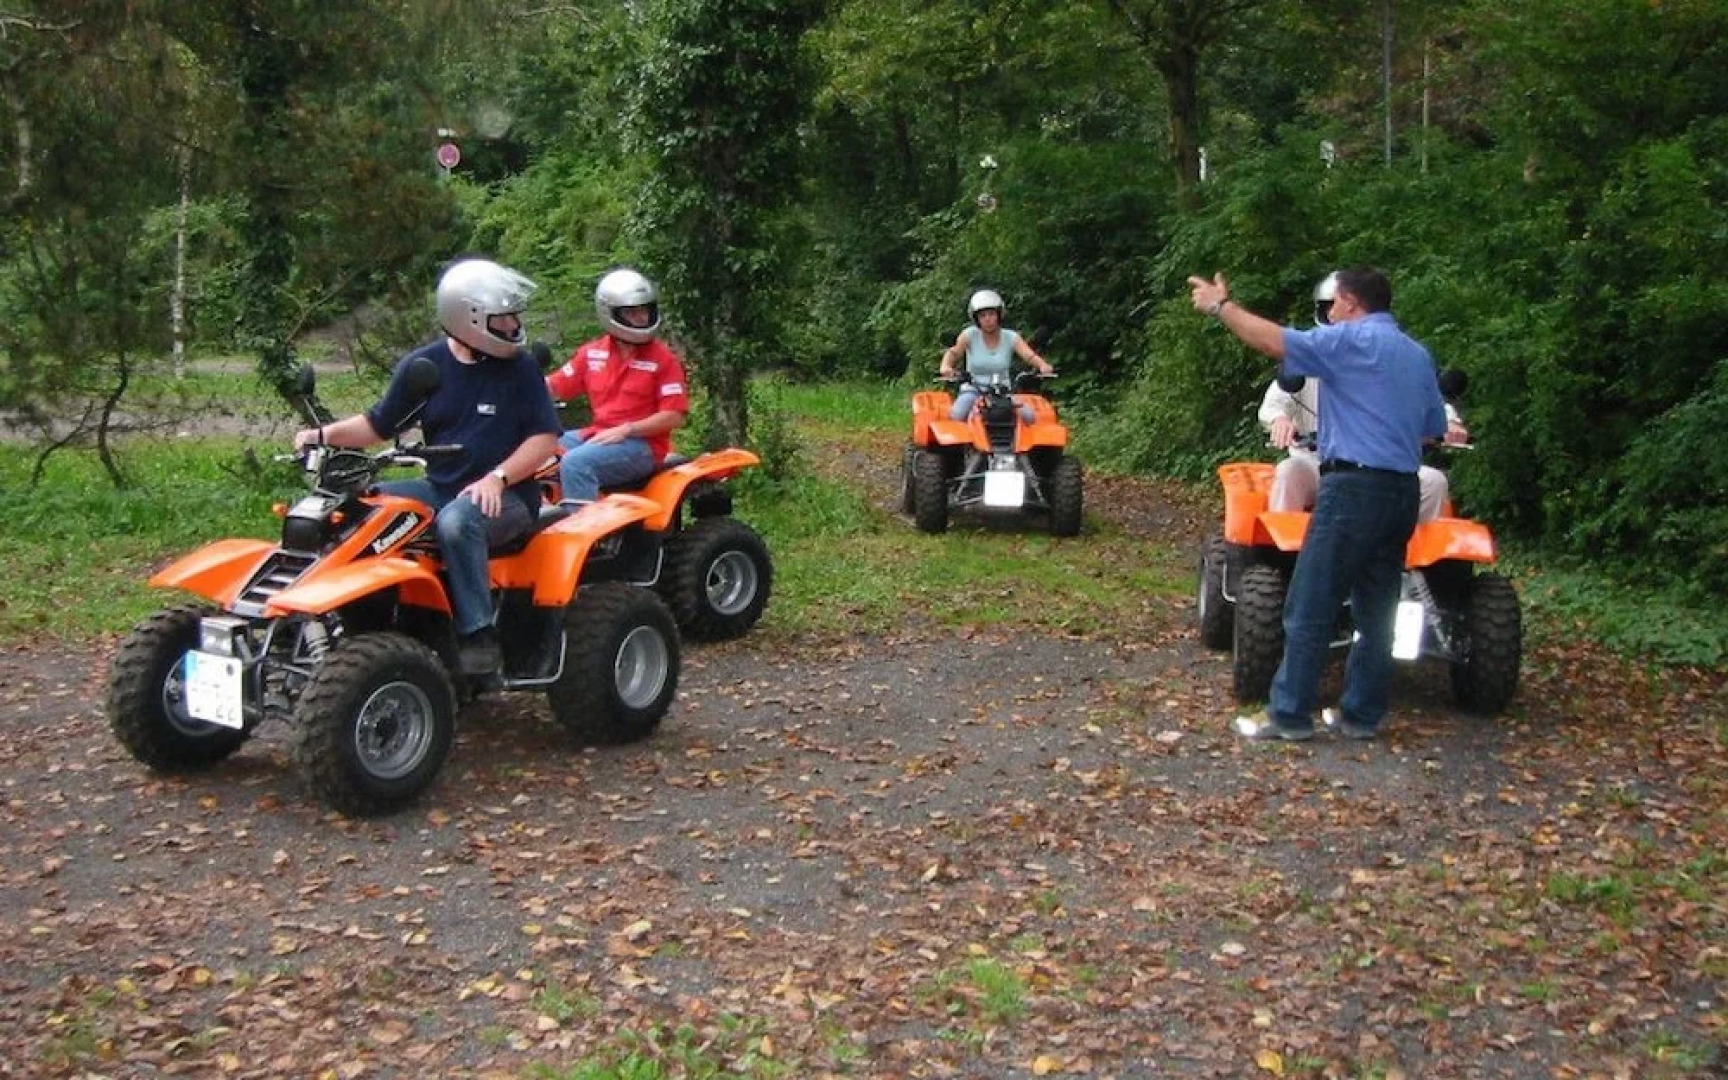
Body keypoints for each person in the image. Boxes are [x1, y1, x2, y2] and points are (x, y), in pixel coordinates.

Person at [1188, 266, 1447, 741]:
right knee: (1378, 609)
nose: (1330, 313)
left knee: (1310, 603)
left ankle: (1288, 714)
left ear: (1349, 301)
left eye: (1334, 304)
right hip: (1401, 491)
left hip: (1352, 488)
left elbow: (1273, 342)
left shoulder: (1348, 342)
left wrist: (1221, 307)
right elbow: (1432, 428)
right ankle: (1361, 716)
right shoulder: (1417, 354)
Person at [293, 257, 562, 676]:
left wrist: (498, 478)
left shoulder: (521, 369)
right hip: (440, 487)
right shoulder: (426, 368)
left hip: (508, 495)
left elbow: (544, 439)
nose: (514, 326)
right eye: (503, 318)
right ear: (469, 319)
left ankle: (478, 634)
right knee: (360, 510)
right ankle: (349, 618)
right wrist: (322, 435)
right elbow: (377, 426)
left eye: (514, 316)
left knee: (457, 522)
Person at [1261, 273, 1468, 519]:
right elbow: (1275, 402)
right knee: (1289, 471)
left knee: (1434, 482)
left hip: (1383, 465)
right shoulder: (1314, 355)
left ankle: (1414, 543)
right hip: (1318, 462)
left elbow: (1425, 397)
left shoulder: (1388, 359)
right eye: (1329, 307)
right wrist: (1280, 420)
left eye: (1336, 306)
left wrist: (1450, 422)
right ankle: (1285, 540)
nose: (1332, 314)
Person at [546, 268, 689, 504]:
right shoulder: (592, 354)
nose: (641, 318)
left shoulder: (663, 359)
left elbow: (674, 416)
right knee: (541, 450)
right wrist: (519, 386)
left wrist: (627, 430)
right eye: (632, 312)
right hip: (599, 434)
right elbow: (555, 385)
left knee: (576, 463)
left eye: (644, 310)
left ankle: (584, 525)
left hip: (642, 445)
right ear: (610, 313)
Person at [938, 289, 1055, 423]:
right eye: (982, 315)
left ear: (999, 315)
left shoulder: (1011, 337)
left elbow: (1029, 355)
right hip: (973, 390)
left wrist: (1042, 365)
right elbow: (954, 352)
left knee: (1029, 417)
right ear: (976, 319)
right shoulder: (969, 335)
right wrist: (946, 366)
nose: (987, 319)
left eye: (991, 314)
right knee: (957, 414)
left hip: (1002, 392)